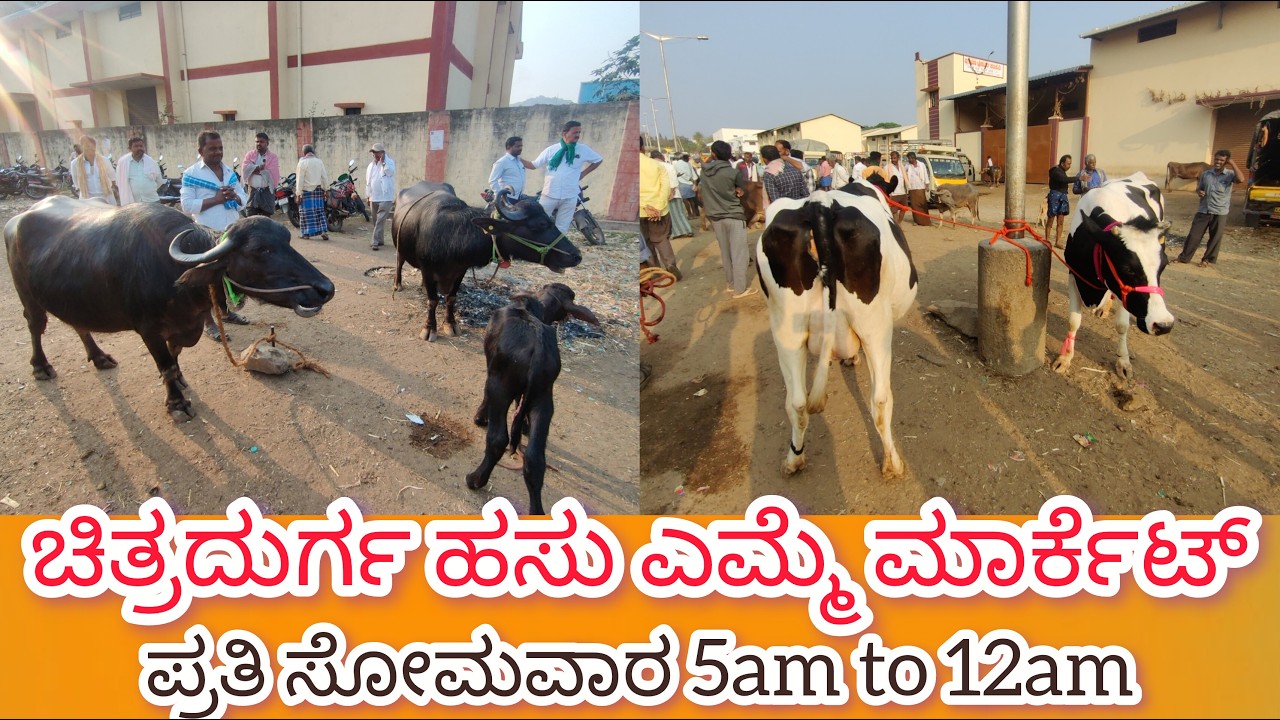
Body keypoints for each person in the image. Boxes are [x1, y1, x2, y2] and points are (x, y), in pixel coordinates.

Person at [179, 130, 250, 339]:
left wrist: (235, 196)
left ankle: (226, 313)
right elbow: (186, 206)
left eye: (220, 148)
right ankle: (209, 323)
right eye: (212, 149)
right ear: (201, 150)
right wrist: (217, 199)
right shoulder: (191, 174)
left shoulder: (229, 172)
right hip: (206, 236)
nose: (218, 152)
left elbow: (244, 199)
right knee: (207, 280)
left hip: (231, 231)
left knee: (228, 276)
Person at [701, 140, 755, 299]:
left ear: (713, 153)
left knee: (725, 252)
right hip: (733, 215)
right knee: (739, 253)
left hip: (715, 217)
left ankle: (731, 285)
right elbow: (741, 191)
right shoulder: (733, 173)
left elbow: (708, 163)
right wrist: (739, 191)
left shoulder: (703, 172)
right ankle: (740, 289)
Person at [531, 120, 604, 234]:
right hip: (549, 194)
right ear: (564, 133)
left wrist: (583, 173)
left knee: (562, 227)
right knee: (539, 222)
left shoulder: (582, 149)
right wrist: (516, 159)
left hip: (570, 195)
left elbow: (598, 160)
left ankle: (557, 250)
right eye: (575, 132)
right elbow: (534, 164)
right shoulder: (551, 150)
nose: (578, 135)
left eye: (579, 132)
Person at [1177, 149, 1243, 267]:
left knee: (1215, 238)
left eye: (1222, 160)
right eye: (1217, 159)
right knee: (1193, 235)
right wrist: (1199, 192)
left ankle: (1206, 260)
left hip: (1220, 212)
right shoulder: (1206, 174)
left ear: (1226, 161)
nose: (1218, 162)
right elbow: (1199, 188)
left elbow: (1241, 179)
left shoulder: (1230, 175)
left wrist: (1233, 164)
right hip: (1203, 210)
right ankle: (1184, 257)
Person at [639, 137, 680, 280]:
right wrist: (657, 207)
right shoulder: (656, 165)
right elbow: (665, 187)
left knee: (646, 242)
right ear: (643, 147)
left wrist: (645, 206)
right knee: (661, 238)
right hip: (660, 210)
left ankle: (655, 271)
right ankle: (670, 264)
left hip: (640, 212)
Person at [294, 144, 330, 241]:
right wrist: (326, 190)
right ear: (313, 152)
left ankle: (306, 234)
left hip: (305, 191)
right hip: (318, 190)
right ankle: (324, 232)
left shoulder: (302, 163)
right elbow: (324, 177)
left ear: (304, 152)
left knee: (305, 213)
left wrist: (298, 194)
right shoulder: (319, 162)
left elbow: (299, 180)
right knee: (320, 212)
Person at [365, 142, 396, 251]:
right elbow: (368, 181)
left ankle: (374, 242)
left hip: (385, 197)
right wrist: (368, 196)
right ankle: (380, 240)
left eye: (377, 153)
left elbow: (390, 172)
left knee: (379, 220)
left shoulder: (390, 163)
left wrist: (383, 163)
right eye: (373, 153)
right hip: (374, 197)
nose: (375, 155)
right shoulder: (371, 165)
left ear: (382, 153)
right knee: (376, 221)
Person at [69, 135, 117, 204]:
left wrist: (114, 189)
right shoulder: (75, 163)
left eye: (92, 146)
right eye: (87, 146)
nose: (90, 148)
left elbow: (113, 177)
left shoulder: (104, 160)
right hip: (87, 199)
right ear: (81, 147)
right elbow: (76, 182)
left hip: (106, 197)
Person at [656, 151, 693, 239]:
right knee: (680, 213)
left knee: (671, 215)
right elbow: (674, 178)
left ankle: (675, 233)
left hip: (667, 194)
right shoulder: (670, 166)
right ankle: (687, 230)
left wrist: (670, 192)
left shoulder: (657, 166)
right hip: (675, 192)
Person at [241, 132, 280, 217]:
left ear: (267, 143)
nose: (259, 144)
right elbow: (245, 169)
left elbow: (271, 172)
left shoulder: (273, 157)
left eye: (261, 142)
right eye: (257, 141)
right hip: (253, 191)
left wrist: (253, 169)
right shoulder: (249, 155)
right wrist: (259, 168)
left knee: (266, 219)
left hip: (266, 191)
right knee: (251, 218)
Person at [114, 136, 160, 205]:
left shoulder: (151, 162)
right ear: (130, 149)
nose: (139, 148)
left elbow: (158, 180)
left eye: (141, 146)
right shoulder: (123, 163)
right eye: (136, 146)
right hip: (133, 203)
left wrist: (148, 190)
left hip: (152, 200)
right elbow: (119, 181)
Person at [1047, 154, 1074, 248]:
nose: (1069, 166)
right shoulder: (1055, 171)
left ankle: (1057, 241)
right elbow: (1064, 180)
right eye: (1068, 164)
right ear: (1062, 163)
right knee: (1051, 219)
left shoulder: (1062, 171)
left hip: (1063, 196)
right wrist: (1078, 178)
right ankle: (1047, 240)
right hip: (1055, 195)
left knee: (1060, 221)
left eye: (1070, 164)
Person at [904, 151, 932, 226]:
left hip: (921, 187)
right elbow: (903, 171)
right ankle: (916, 221)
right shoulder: (907, 166)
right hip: (912, 188)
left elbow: (926, 174)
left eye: (910, 158)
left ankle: (925, 221)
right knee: (914, 206)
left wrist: (927, 184)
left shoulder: (921, 165)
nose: (909, 160)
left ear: (914, 158)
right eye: (908, 158)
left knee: (923, 204)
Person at [885, 150, 909, 223]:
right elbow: (886, 180)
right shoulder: (887, 167)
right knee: (894, 211)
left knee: (904, 209)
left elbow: (905, 178)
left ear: (898, 157)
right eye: (892, 158)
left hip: (902, 191)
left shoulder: (902, 166)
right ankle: (897, 225)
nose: (893, 160)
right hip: (893, 193)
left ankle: (899, 223)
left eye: (895, 158)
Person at [673, 153, 698, 218]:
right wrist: (694, 183)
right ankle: (694, 214)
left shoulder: (677, 164)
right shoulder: (688, 164)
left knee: (685, 200)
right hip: (691, 183)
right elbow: (693, 174)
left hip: (682, 183)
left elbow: (679, 174)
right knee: (691, 200)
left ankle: (690, 214)